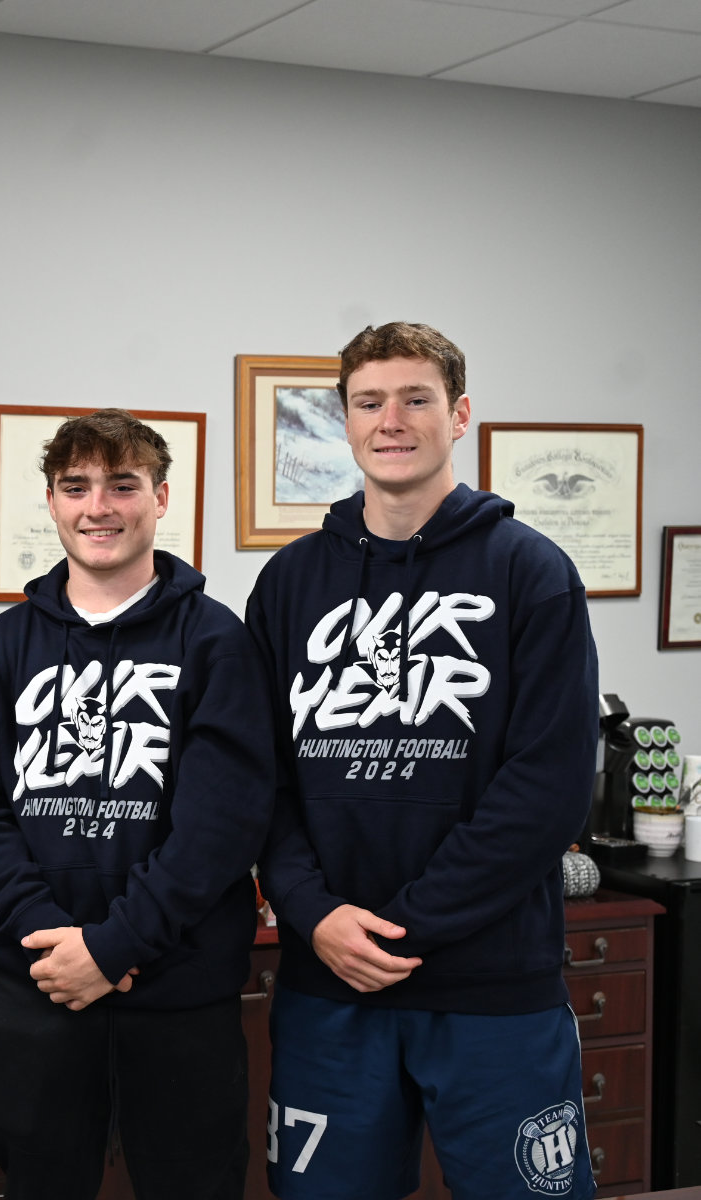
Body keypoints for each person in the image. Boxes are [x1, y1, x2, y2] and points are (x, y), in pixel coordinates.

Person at [250, 322, 600, 1200]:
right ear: (344, 419)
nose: (391, 419)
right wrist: (314, 914)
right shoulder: (288, 584)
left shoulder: (531, 573)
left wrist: (403, 928)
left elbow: (546, 791)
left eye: (416, 399)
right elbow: (259, 781)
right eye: (369, 401)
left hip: (492, 990)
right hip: (327, 985)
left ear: (460, 416)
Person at [0, 409, 274, 1199]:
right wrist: (56, 940)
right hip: (40, 989)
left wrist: (116, 945)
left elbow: (220, 826)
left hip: (180, 997)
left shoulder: (216, 643)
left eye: (122, 485)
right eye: (76, 486)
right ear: (49, 502)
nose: (99, 507)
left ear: (159, 498)